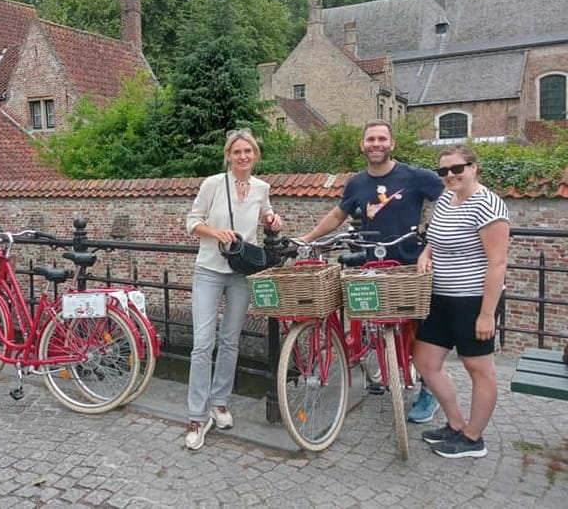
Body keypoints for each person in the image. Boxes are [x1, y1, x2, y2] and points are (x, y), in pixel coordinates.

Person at [299, 119, 444, 421]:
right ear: (362, 145)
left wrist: (431, 233)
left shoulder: (416, 176)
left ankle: (429, 392)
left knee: (420, 333)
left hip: (408, 265)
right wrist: (308, 238)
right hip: (371, 264)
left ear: (392, 144)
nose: (376, 144)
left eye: (381, 139)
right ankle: (379, 362)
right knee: (370, 319)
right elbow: (339, 214)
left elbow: (449, 199)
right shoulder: (357, 183)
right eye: (370, 139)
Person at [184, 129, 282, 451]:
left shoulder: (261, 188)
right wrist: (216, 231)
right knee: (202, 342)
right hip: (210, 270)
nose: (243, 157)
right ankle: (197, 416)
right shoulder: (213, 184)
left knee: (229, 341)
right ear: (228, 155)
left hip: (241, 272)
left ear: (255, 156)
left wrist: (272, 220)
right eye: (237, 152)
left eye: (248, 152)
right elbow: (191, 222)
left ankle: (220, 402)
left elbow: (265, 215)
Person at [414, 144, 509, 458]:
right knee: (425, 362)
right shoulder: (445, 198)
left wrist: (486, 314)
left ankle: (473, 438)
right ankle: (455, 424)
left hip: (473, 299)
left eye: (457, 169)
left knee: (478, 368)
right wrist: (426, 255)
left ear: (474, 168)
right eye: (443, 171)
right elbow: (434, 238)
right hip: (441, 296)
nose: (450, 176)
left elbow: (497, 263)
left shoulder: (488, 205)